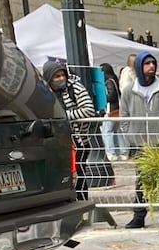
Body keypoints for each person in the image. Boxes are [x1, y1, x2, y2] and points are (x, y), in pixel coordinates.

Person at [119, 51, 159, 229]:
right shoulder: (128, 91)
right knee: (142, 180)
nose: (151, 67)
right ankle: (139, 216)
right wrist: (131, 136)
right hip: (140, 144)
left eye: (153, 63)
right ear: (139, 67)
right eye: (147, 64)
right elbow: (123, 117)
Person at [43, 58, 99, 196]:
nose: (61, 78)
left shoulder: (76, 87)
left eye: (62, 75)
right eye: (57, 76)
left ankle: (81, 199)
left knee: (78, 174)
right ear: (49, 78)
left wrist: (63, 116)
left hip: (78, 140)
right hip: (59, 142)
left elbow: (89, 110)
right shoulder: (46, 93)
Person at [99, 60, 125, 162]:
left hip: (110, 110)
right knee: (117, 131)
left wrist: (103, 98)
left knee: (107, 132)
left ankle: (111, 153)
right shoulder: (114, 80)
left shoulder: (108, 82)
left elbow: (112, 95)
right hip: (117, 109)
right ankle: (122, 152)